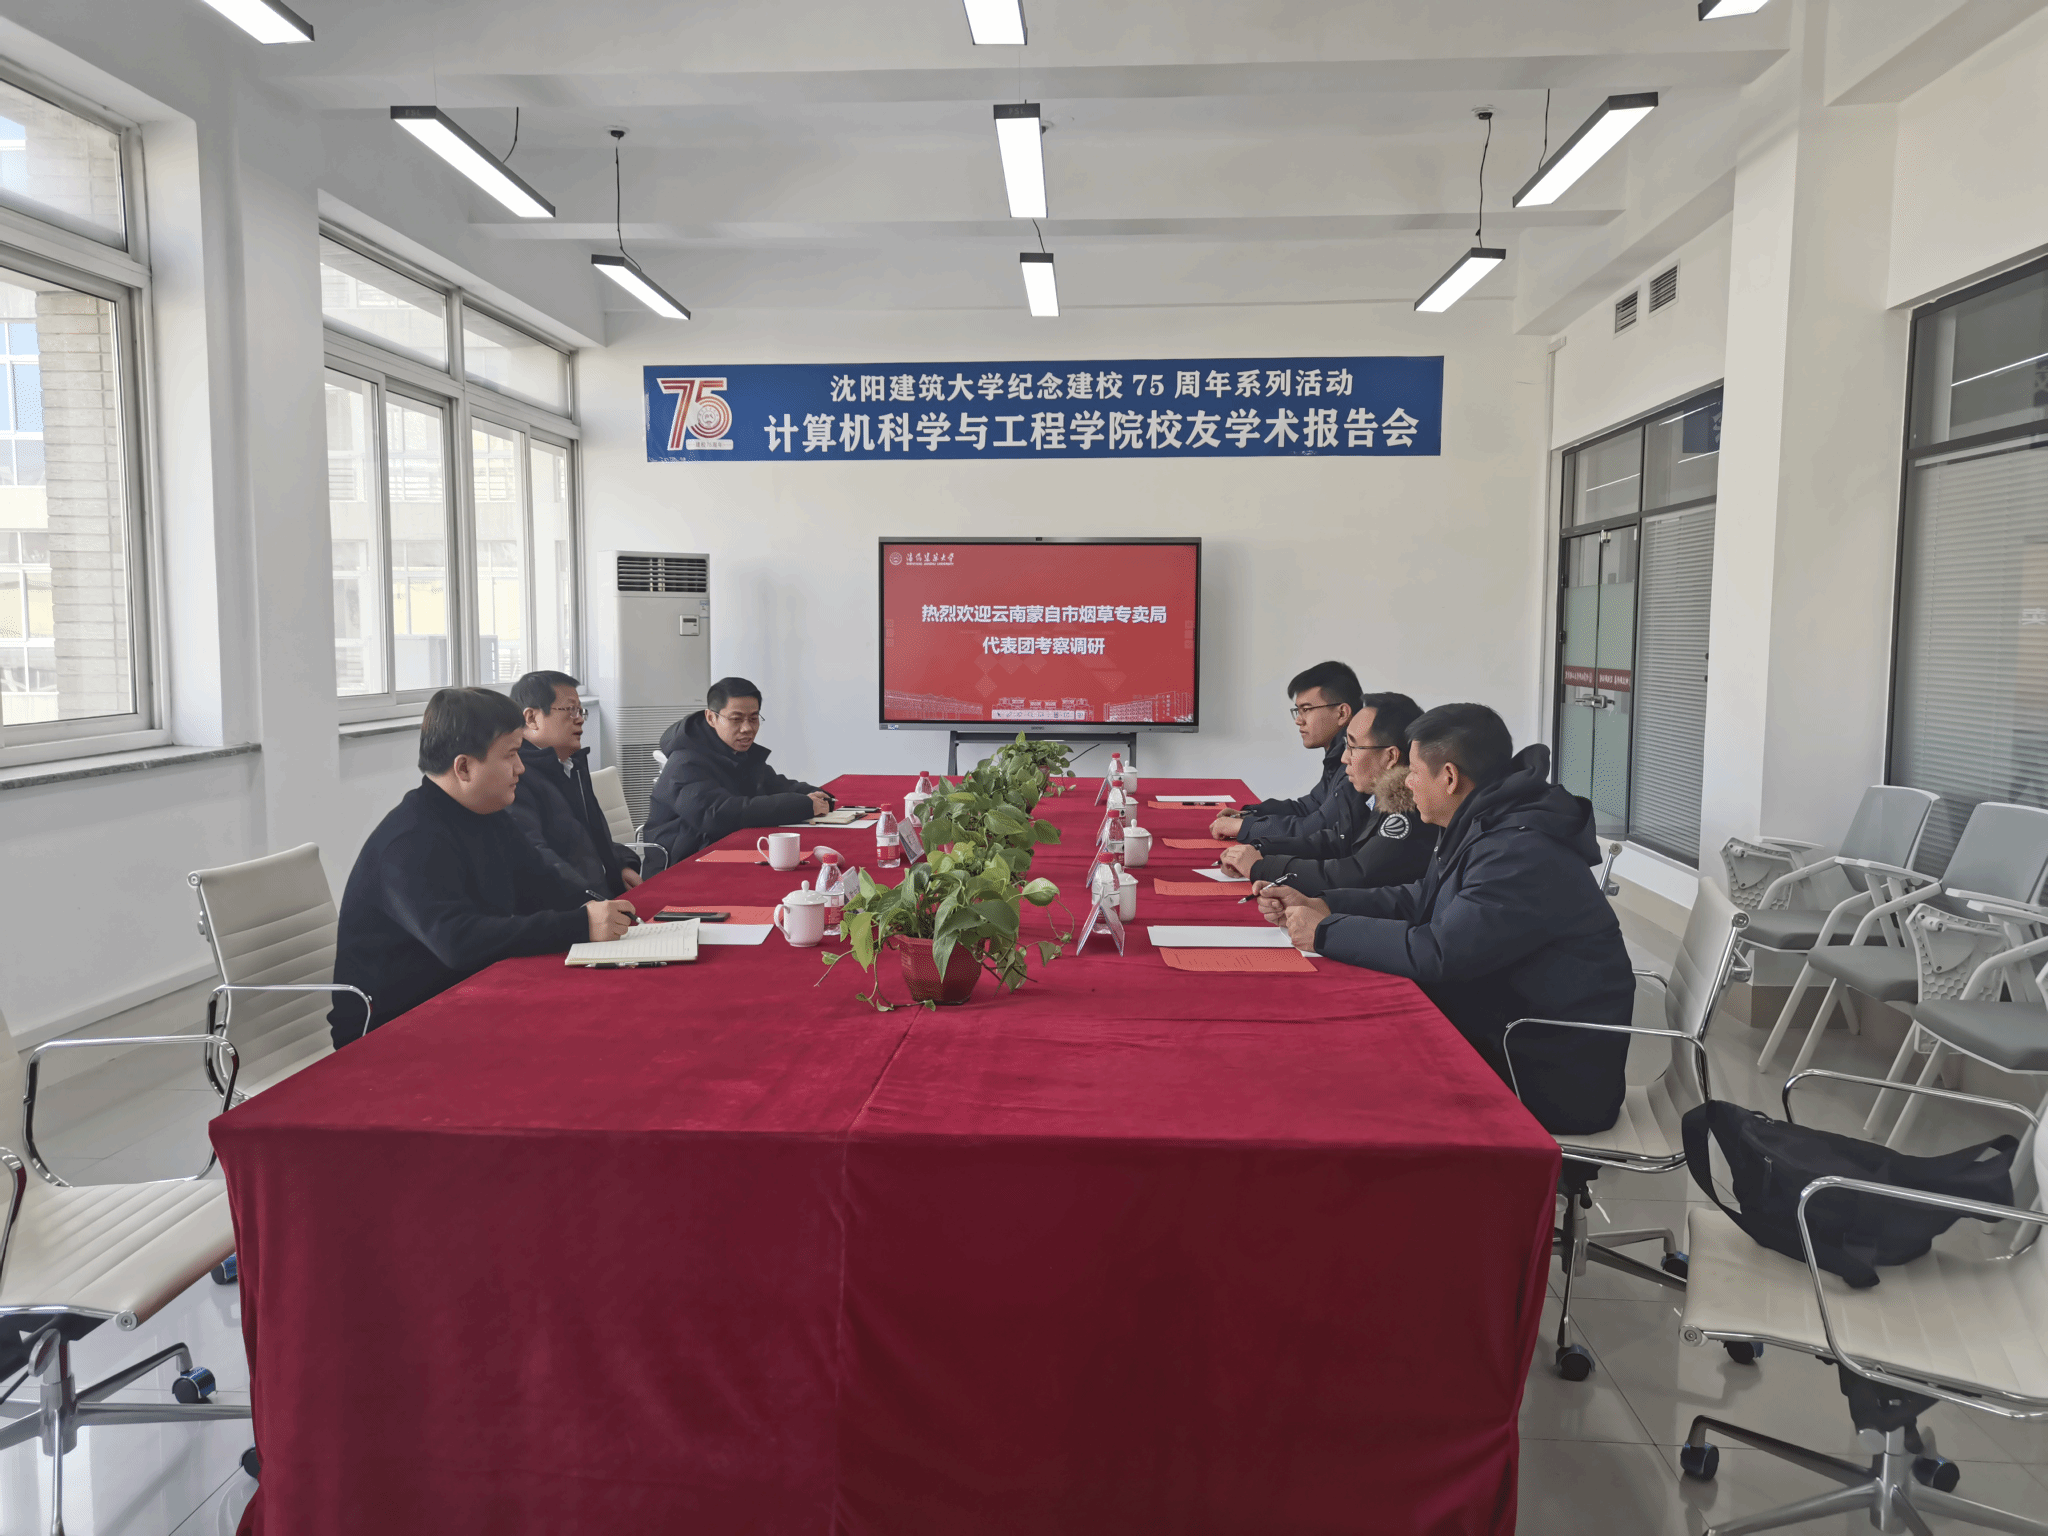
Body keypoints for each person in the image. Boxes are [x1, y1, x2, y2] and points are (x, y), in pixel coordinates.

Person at [1257, 703, 1632, 1134]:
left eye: (1415, 771)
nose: (1406, 782)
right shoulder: (1488, 822)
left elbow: (1438, 951)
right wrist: (1324, 904)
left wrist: (1324, 933)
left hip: (1542, 1071)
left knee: (1343, 1079)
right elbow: (1422, 898)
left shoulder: (1519, 851)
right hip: (1498, 1026)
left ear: (1450, 777)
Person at [329, 687, 636, 1048]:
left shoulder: (486, 814)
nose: (521, 768)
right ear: (464, 767)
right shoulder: (409, 841)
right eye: (510, 755)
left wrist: (599, 908)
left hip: (471, 996)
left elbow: (543, 884)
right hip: (395, 1031)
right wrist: (581, 924)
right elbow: (459, 942)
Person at [1219, 692, 1436, 896]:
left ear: (1390, 757)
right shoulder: (1371, 792)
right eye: (1346, 745)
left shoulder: (1408, 810)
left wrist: (1262, 867)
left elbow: (1355, 874)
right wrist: (1262, 847)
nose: (1344, 758)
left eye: (1353, 747)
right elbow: (1335, 841)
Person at [644, 676, 833, 861]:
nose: (747, 728)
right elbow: (718, 815)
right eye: (736, 719)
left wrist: (818, 795)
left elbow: (773, 785)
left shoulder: (733, 749)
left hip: (726, 848)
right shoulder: (685, 762)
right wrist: (804, 805)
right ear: (711, 717)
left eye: (753, 718)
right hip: (684, 862)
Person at [505, 670, 643, 902]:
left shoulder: (571, 766)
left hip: (606, 900)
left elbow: (587, 838)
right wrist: (590, 900)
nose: (579, 719)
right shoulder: (515, 778)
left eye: (580, 711)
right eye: (570, 710)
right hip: (574, 909)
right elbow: (536, 858)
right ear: (531, 718)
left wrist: (620, 865)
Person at [1210, 661, 1362, 844]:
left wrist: (1244, 827)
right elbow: (1309, 807)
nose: (1298, 720)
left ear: (1342, 713)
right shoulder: (1337, 754)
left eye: (1306, 710)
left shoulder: (1359, 761)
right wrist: (1249, 815)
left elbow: (1318, 827)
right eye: (1298, 711)